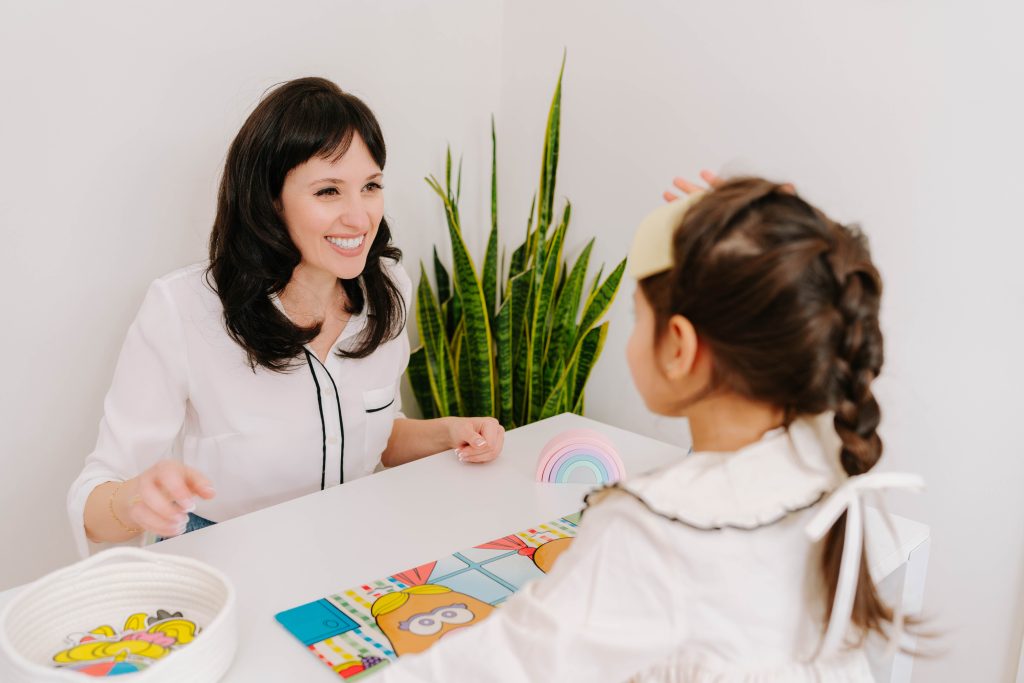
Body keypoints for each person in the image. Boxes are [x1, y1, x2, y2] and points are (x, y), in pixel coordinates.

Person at [378, 173, 923, 681]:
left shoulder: (649, 531)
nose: (631, 335)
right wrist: (765, 240)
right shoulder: (828, 444)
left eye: (638, 316)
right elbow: (809, 302)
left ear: (679, 347)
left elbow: (495, 667)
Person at [67, 77, 504, 557]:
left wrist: (450, 433)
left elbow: (368, 435)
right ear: (270, 200)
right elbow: (96, 498)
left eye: (371, 186)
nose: (360, 218)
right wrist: (132, 502)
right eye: (328, 192)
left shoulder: (389, 290)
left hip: (355, 550)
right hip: (230, 561)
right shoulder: (183, 308)